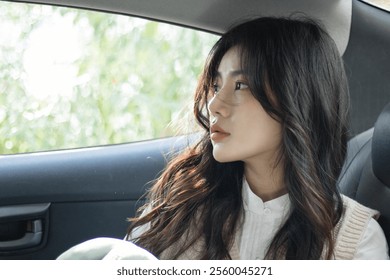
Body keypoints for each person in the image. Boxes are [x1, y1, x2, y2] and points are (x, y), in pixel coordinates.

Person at [126, 16, 389, 260]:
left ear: (296, 101)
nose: (215, 104)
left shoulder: (355, 242)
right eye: (216, 86)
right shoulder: (180, 212)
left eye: (241, 85)